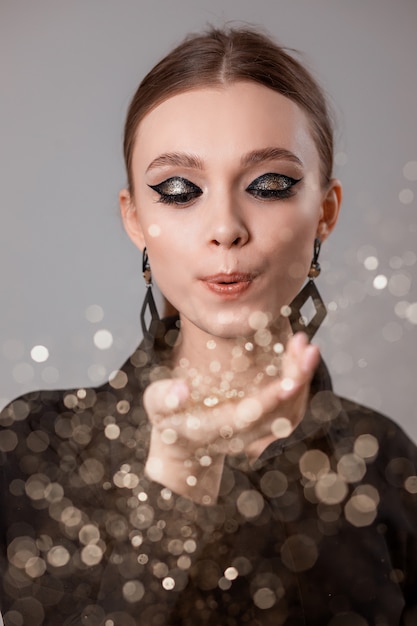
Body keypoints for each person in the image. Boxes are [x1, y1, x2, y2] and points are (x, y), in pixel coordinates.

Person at [0, 26, 416, 626]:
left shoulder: (390, 470)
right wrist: (177, 474)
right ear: (136, 219)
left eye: (269, 186)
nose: (225, 226)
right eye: (179, 190)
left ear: (324, 212)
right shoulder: (33, 450)